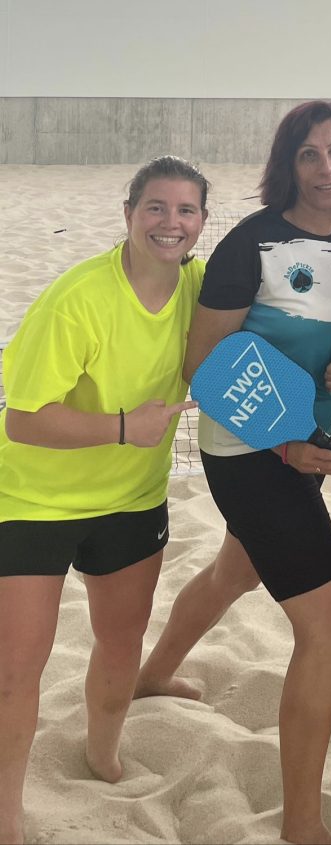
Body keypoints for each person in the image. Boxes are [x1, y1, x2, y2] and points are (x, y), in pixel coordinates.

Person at [134, 100, 331, 845]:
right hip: (248, 448)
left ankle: (153, 675)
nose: (326, 168)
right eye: (309, 154)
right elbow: (202, 365)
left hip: (307, 440)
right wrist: (284, 448)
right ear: (287, 164)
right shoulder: (251, 242)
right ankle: (302, 824)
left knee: (235, 571)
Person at [0, 156, 209, 845]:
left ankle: (103, 755)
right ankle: (6, 815)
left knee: (121, 642)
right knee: (17, 669)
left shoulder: (201, 287)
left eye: (185, 210)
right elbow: (22, 419)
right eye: (155, 207)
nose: (170, 222)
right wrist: (123, 427)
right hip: (33, 499)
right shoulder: (77, 299)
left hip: (132, 497)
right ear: (128, 215)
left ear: (201, 223)